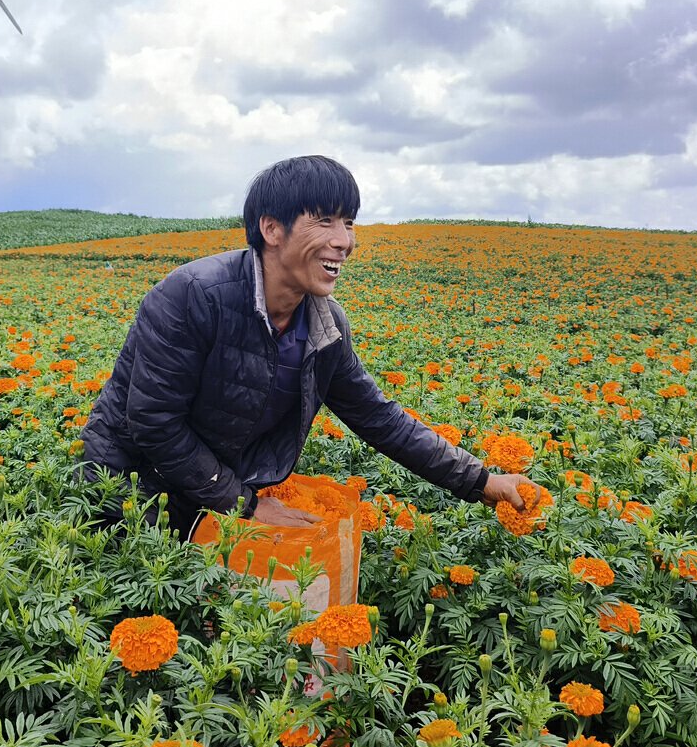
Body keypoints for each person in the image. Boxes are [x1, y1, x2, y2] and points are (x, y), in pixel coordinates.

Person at [81, 155, 530, 537]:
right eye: (325, 221)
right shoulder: (193, 296)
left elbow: (378, 418)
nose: (344, 241)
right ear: (272, 229)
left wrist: (481, 481)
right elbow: (154, 422)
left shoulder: (324, 326)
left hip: (216, 489)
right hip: (128, 489)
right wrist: (244, 504)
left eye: (349, 223)